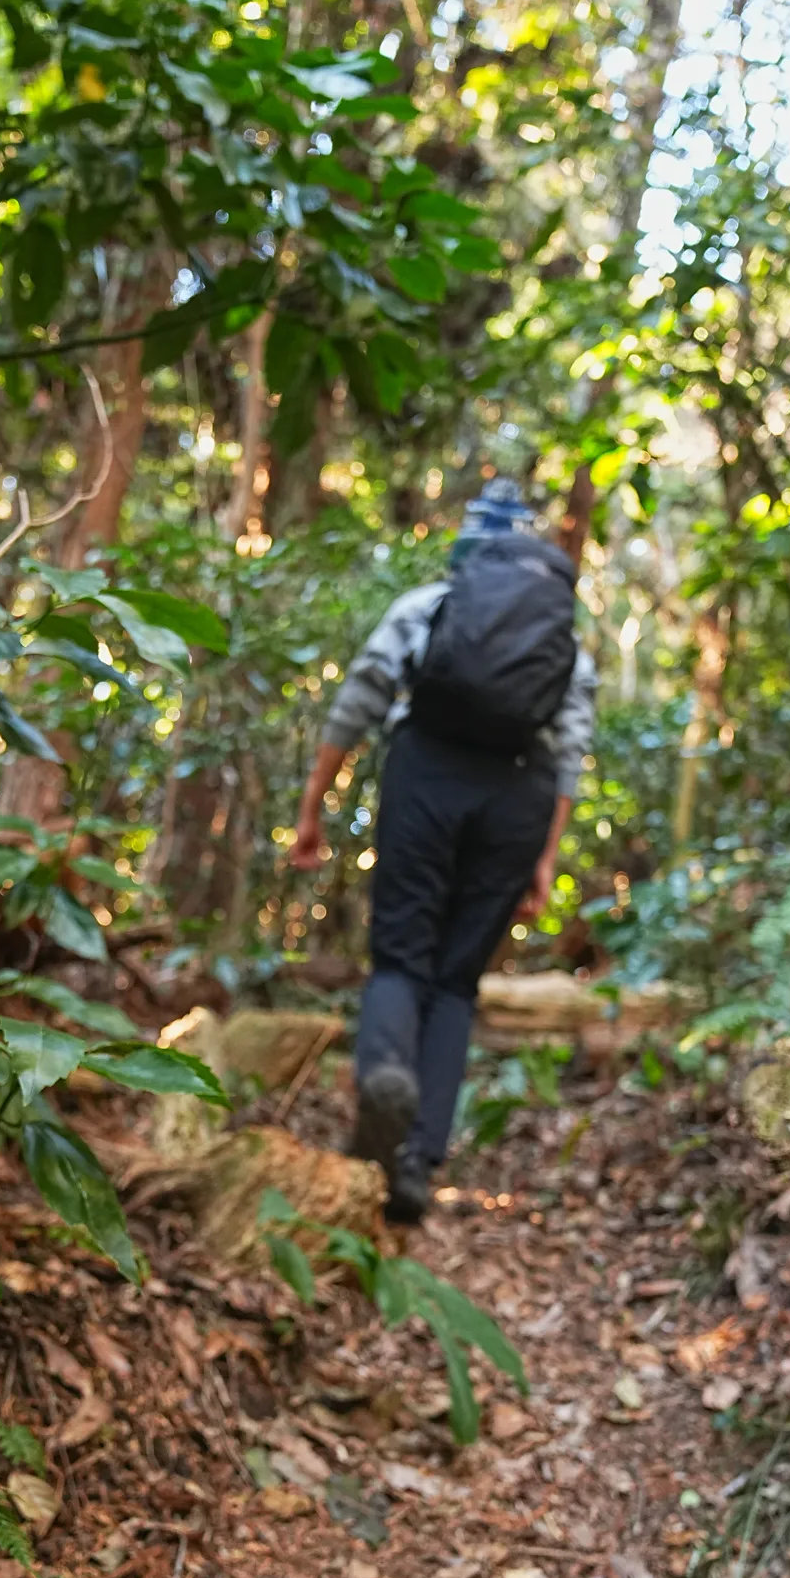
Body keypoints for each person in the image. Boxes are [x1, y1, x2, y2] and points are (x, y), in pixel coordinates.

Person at [290, 476, 596, 1223]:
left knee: (402, 956)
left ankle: (386, 1080)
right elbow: (570, 754)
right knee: (456, 982)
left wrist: (312, 807)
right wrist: (545, 858)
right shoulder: (564, 644)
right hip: (517, 796)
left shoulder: (426, 608)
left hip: (427, 771)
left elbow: (359, 699)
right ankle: (421, 1160)